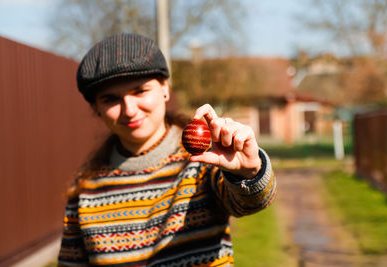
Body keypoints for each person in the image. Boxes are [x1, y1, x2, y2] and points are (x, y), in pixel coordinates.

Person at [58, 32, 276, 267]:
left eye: (140, 91)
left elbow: (252, 202)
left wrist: (249, 172)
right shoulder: (84, 188)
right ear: (96, 108)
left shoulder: (203, 161)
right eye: (111, 99)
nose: (129, 110)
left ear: (165, 89)